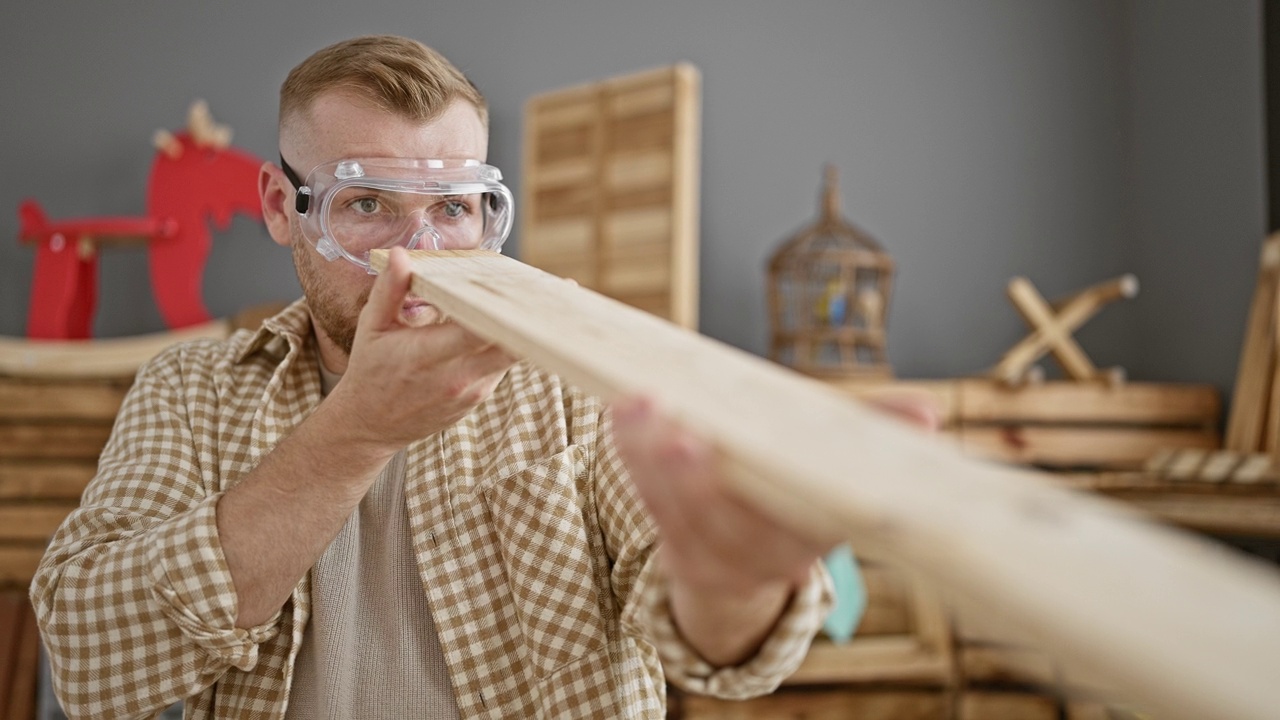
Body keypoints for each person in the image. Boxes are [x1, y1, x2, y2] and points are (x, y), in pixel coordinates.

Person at [31, 35, 936, 719]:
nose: (418, 261)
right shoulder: (191, 390)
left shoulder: (574, 375)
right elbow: (85, 658)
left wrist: (733, 581)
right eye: (368, 207)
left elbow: (719, 646)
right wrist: (355, 433)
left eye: (455, 210)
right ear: (282, 207)